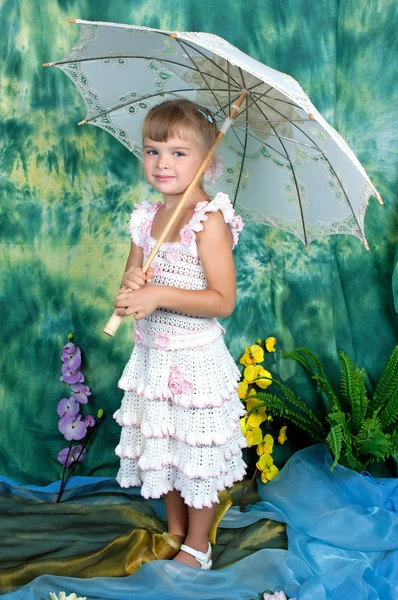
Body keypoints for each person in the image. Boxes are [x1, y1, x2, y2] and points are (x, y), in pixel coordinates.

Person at [113, 98, 247, 570]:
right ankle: (173, 528)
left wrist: (160, 294)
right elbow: (133, 285)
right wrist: (129, 292)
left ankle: (198, 543)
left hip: (192, 362)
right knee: (161, 445)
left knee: (193, 450)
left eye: (177, 153)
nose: (162, 163)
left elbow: (221, 301)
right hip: (151, 357)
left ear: (207, 161)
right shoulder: (144, 219)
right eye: (152, 151)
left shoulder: (209, 221)